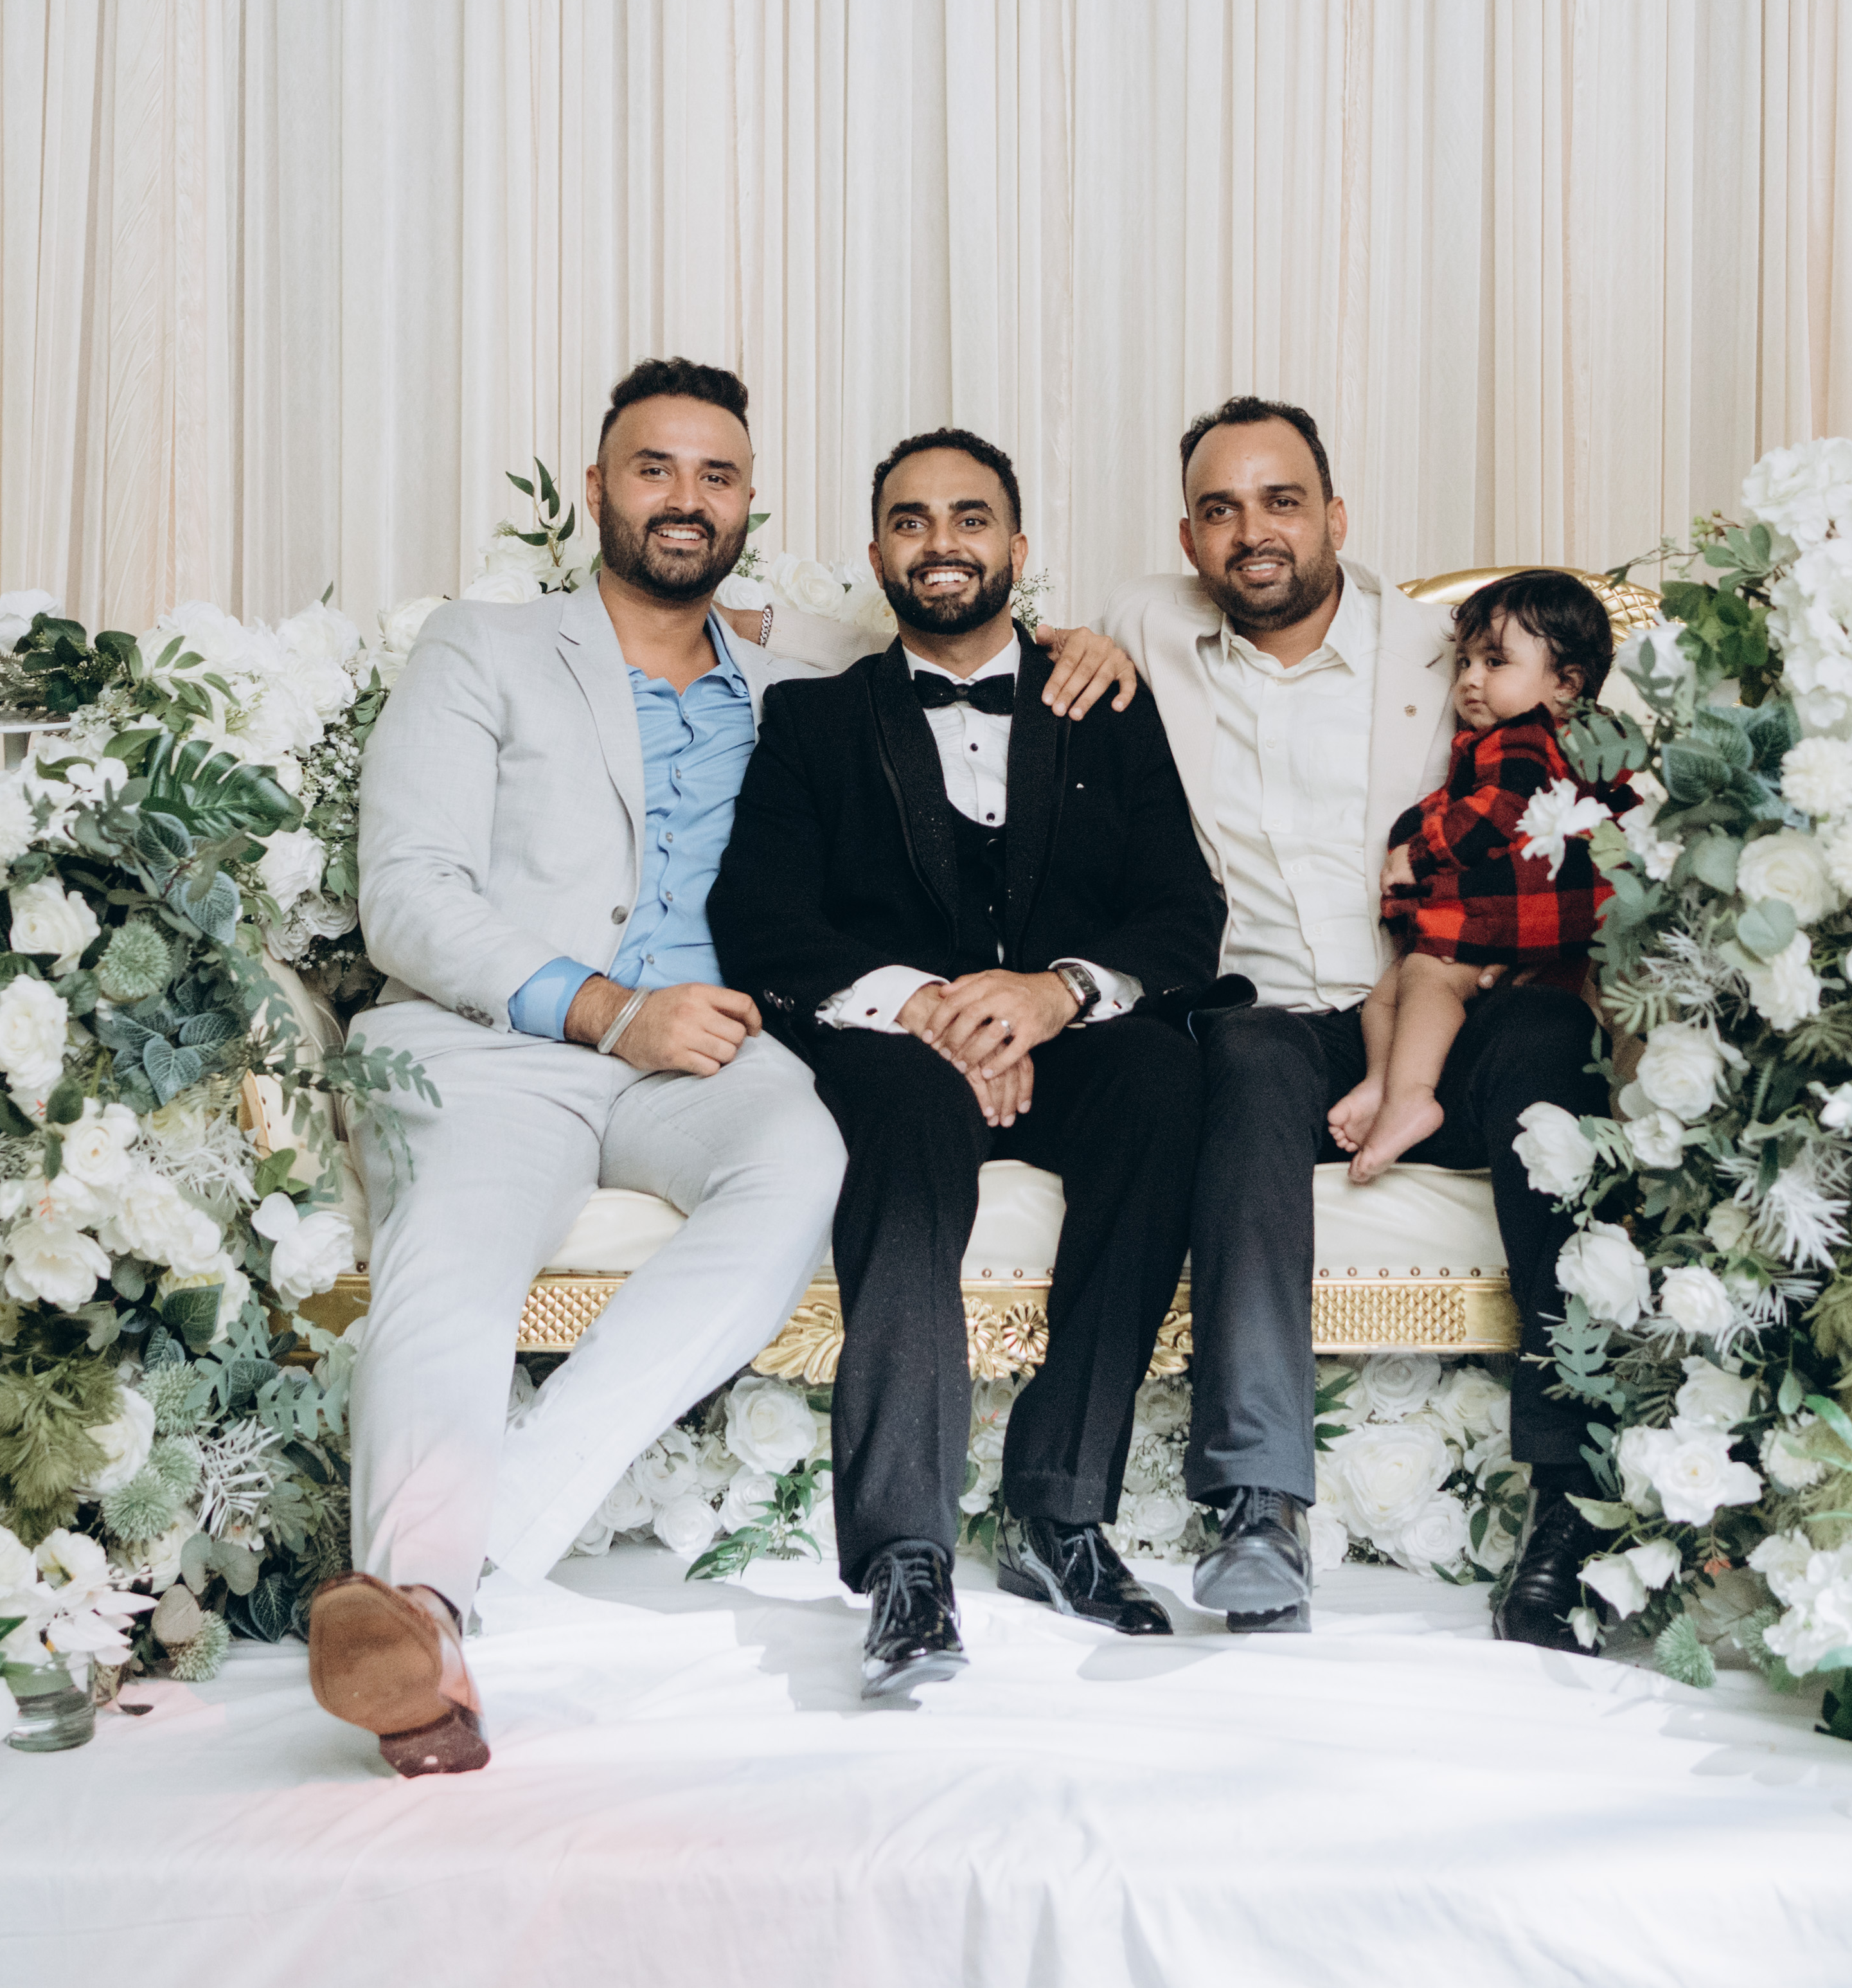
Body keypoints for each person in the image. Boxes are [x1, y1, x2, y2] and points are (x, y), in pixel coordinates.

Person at [315, 361, 1137, 1777]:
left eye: (716, 475)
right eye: (654, 468)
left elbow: (952, 632)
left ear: (749, 505)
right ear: (596, 489)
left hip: (712, 1050)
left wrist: (1076, 645)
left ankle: (444, 1578)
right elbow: (406, 892)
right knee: (451, 1253)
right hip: (502, 1042)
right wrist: (600, 1009)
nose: (684, 499)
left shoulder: (794, 673)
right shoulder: (483, 646)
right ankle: (428, 1618)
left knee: (801, 1165)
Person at [711, 430, 1228, 1698]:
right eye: (911, 519)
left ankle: (1060, 1508)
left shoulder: (1104, 699)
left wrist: (1053, 995)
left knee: (1165, 1086)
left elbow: (1183, 911)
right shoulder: (813, 716)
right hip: (898, 1049)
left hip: (1068, 1040)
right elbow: (760, 918)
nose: (940, 542)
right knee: (897, 1129)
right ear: (877, 551)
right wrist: (927, 1005)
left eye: (969, 516)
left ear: (1017, 546)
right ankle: (906, 1558)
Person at [1097, 397, 1617, 1646]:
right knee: (1240, 1062)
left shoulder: (1450, 648)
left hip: (1451, 999)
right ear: (1187, 537)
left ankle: (1573, 1503)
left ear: (1335, 514)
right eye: (1220, 509)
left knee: (1551, 1052)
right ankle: (1257, 1507)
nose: (1252, 531)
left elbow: (1586, 748)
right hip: (1273, 1015)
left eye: (1281, 501)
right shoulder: (1143, 630)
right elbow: (973, 641)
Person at [1327, 572, 1617, 1183]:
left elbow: (1498, 812)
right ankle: (1382, 1084)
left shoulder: (1524, 738)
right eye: (1463, 662)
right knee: (1388, 992)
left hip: (1513, 910)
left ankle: (1411, 1096)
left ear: (1566, 683)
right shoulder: (1551, 743)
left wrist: (1419, 853)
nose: (1469, 679)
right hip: (1528, 921)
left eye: (1494, 661)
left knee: (1426, 976)